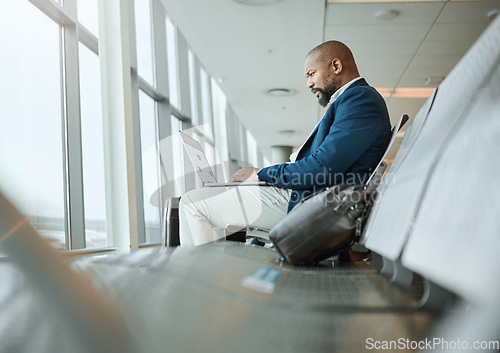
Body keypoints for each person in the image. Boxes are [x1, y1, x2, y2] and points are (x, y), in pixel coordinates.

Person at [179, 40, 391, 246]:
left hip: (312, 203)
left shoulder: (360, 100)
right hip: (310, 197)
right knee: (212, 210)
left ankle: (194, 279)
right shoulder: (351, 100)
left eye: (311, 74)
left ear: (335, 66)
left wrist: (261, 174)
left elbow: (321, 168)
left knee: (192, 203)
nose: (308, 83)